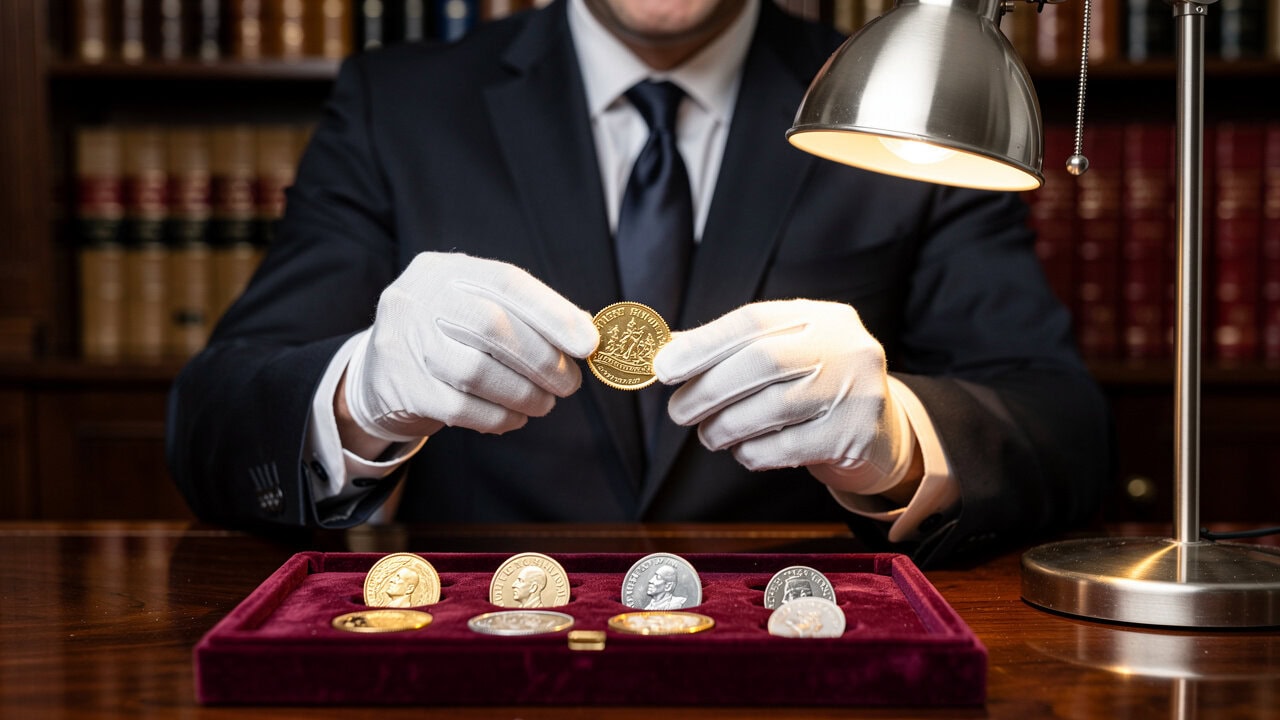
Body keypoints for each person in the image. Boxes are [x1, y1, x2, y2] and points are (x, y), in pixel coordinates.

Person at [166, 0, 1111, 567]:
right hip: (488, 655)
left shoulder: (903, 109)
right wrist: (359, 394)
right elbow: (213, 419)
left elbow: (1066, 426)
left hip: (799, 656)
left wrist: (902, 438)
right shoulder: (401, 103)